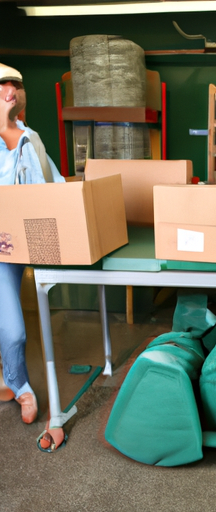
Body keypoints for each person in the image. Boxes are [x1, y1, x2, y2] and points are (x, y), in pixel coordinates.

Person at [0, 63, 64, 426]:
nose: (10, 91)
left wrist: (10, 130)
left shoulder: (30, 138)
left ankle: (19, 384)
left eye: (15, 86)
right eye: (3, 86)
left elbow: (53, 191)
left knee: (12, 329)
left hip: (11, 246)